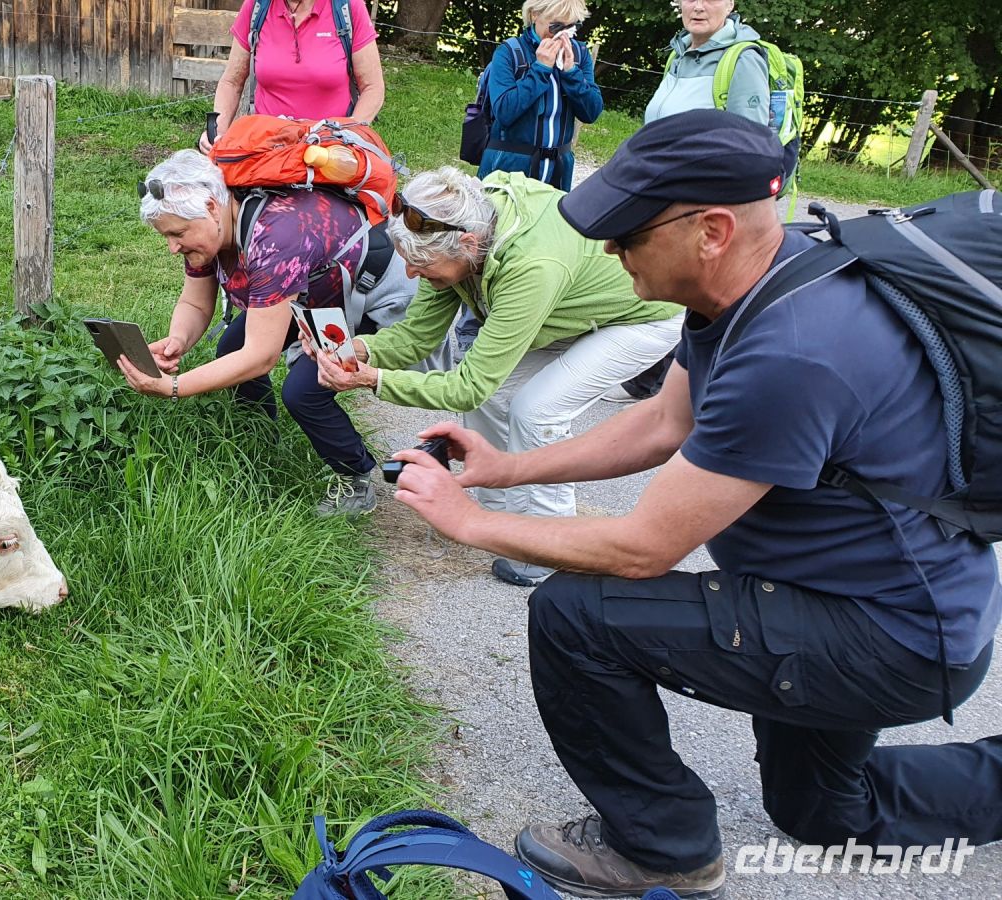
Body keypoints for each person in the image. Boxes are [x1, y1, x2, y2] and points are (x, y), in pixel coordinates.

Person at [389, 110, 1002, 899]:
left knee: (578, 617)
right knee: (818, 809)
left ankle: (664, 849)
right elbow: (664, 420)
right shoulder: (751, 285)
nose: (609, 251)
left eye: (628, 235)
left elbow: (645, 547)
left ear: (710, 230)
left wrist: (468, 524)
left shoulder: (792, 350)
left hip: (890, 635)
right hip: (851, 605)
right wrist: (502, 469)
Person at [310, 166, 682, 587]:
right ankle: (502, 520)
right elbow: (416, 338)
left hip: (637, 317)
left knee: (537, 412)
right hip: (565, 310)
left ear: (468, 244)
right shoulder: (451, 231)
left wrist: (372, 379)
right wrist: (358, 350)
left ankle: (548, 551)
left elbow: (467, 387)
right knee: (498, 392)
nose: (412, 275)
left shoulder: (530, 266)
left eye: (421, 265)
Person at [118, 149, 416, 516]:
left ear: (213, 207)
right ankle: (258, 442)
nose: (172, 247)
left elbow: (262, 355)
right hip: (314, 294)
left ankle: (354, 478)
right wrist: (178, 340)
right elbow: (195, 304)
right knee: (230, 347)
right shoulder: (207, 230)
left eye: (177, 234)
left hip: (369, 296)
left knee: (306, 389)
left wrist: (174, 388)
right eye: (166, 236)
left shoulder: (276, 235)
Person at [605, 0, 784, 404]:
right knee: (674, 286)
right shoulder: (679, 53)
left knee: (709, 294)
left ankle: (712, 393)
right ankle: (662, 386)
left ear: (731, 4)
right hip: (666, 197)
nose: (698, 6)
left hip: (708, 206)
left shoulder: (743, 60)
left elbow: (751, 148)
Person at [199, 0, 385, 153]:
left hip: (332, 149)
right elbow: (232, 81)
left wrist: (349, 135)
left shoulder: (347, 8)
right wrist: (217, 132)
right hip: (266, 148)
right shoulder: (258, 7)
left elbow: (372, 87)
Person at [475, 0, 603, 191]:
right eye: (556, 26)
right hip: (509, 168)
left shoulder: (579, 54)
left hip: (557, 170)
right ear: (535, 15)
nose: (562, 35)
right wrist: (540, 69)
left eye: (571, 27)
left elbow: (591, 112)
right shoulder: (509, 52)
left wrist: (570, 72)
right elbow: (504, 112)